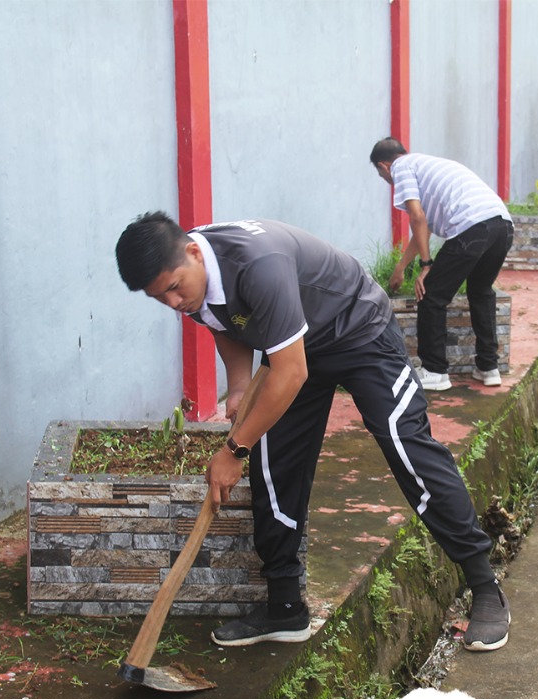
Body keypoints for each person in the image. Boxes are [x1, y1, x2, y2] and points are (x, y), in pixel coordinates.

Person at [115, 212, 510, 652]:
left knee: (405, 446)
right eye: (159, 298)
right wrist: (241, 384)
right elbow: (220, 320)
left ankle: (484, 585)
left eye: (172, 287)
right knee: (273, 462)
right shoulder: (193, 278)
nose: (172, 302)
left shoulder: (255, 264)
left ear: (191, 251)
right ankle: (285, 608)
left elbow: (291, 373)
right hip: (295, 344)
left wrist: (232, 450)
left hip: (359, 331)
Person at [369, 139, 514, 392]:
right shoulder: (427, 165)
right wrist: (401, 267)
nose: (385, 179)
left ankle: (435, 371)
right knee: (481, 292)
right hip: (502, 225)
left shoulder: (401, 168)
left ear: (384, 166)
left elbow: (417, 217)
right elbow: (421, 228)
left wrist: (426, 266)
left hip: (472, 227)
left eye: (381, 174)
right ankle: (488, 367)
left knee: (431, 294)